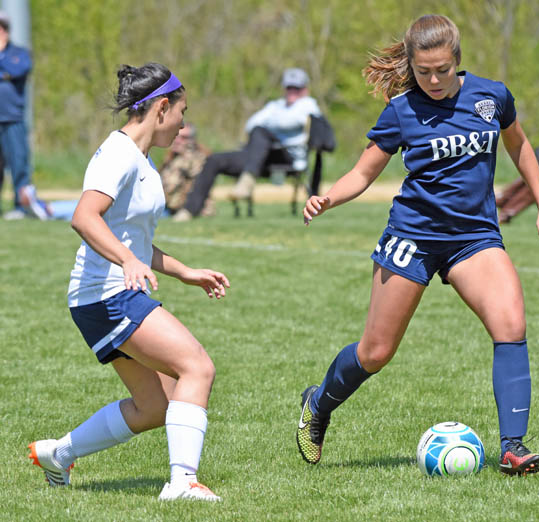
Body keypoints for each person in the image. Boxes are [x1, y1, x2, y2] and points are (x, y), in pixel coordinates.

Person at [296, 14, 539, 477]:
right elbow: (362, 173)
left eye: (441, 69)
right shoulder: (401, 110)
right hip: (412, 238)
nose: (433, 80)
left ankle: (513, 447)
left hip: (474, 238)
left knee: (511, 325)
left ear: (457, 60)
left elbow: (519, 147)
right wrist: (327, 198)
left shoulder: (492, 95)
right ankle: (318, 403)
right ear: (411, 66)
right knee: (376, 352)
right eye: (423, 72)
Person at [27, 63, 229, 501]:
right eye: (181, 112)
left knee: (157, 406)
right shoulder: (118, 155)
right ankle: (182, 482)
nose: (183, 124)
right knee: (197, 367)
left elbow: (133, 244)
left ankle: (59, 453)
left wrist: (185, 272)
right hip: (108, 294)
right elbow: (84, 217)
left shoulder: (142, 161)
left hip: (99, 297)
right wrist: (125, 261)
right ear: (161, 108)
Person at [173, 67, 321, 220]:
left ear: (305, 89)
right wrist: (274, 124)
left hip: (288, 157)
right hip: (259, 158)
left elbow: (294, 121)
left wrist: (271, 123)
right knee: (214, 160)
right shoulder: (276, 105)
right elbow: (251, 124)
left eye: (296, 88)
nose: (292, 91)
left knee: (261, 131)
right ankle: (189, 211)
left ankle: (247, 181)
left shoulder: (309, 105)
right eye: (289, 87)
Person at [0, 11, 50, 220]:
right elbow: (8, 72)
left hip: (13, 119)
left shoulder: (18, 52)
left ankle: (21, 207)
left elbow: (19, 69)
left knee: (19, 164)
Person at [160, 122, 215, 217]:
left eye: (184, 138)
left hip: (189, 210)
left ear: (192, 141)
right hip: (170, 209)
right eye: (176, 135)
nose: (178, 141)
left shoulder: (197, 159)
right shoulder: (172, 158)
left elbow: (169, 187)